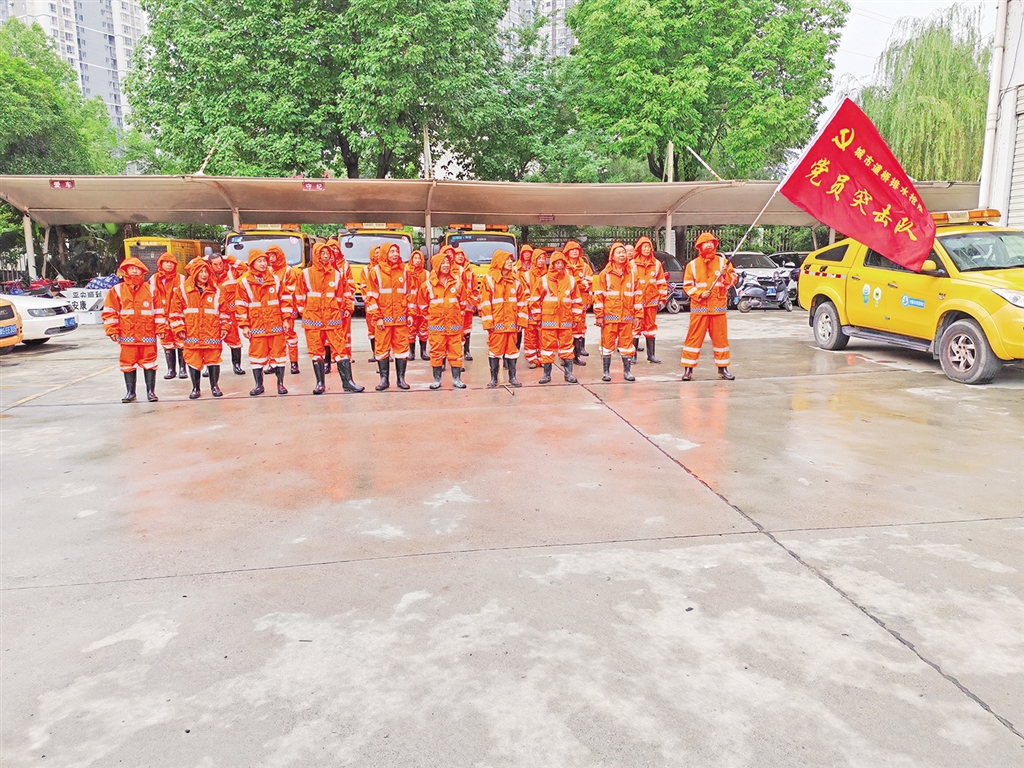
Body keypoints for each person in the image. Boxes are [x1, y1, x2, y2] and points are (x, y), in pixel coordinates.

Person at [295, 242, 364, 394]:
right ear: (316, 255)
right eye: (322, 253)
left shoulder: (337, 274)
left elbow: (344, 294)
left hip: (332, 319)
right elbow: (299, 296)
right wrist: (305, 313)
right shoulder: (306, 274)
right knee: (316, 352)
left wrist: (346, 308)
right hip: (313, 321)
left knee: (341, 350)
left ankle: (348, 383)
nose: (326, 256)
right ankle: (320, 384)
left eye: (328, 253)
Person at [103, 255, 163, 403]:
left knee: (150, 363)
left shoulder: (151, 290)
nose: (134, 271)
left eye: (137, 269)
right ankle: (130, 392)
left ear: (142, 271)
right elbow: (110, 312)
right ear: (125, 271)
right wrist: (112, 330)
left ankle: (151, 392)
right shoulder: (117, 290)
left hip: (147, 335)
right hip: (127, 336)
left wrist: (161, 329)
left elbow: (159, 312)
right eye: (131, 268)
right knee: (127, 364)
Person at [236, 249, 294, 396]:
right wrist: (244, 325)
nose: (263, 264)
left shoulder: (275, 280)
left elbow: (285, 299)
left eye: (264, 261)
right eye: (259, 261)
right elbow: (240, 305)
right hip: (257, 327)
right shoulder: (244, 282)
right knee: (257, 356)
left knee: (279, 355)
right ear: (252, 263)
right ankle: (259, 385)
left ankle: (280, 384)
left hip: (275, 325)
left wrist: (286, 319)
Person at [169, 258, 230, 399]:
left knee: (213, 360)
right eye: (201, 272)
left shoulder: (216, 291)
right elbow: (175, 312)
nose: (204, 274)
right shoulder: (183, 290)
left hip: (212, 333)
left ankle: (214, 386)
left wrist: (225, 327)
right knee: (193, 361)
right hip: (192, 333)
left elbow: (224, 312)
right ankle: (195, 388)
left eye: (206, 271)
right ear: (194, 273)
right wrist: (179, 329)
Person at [681, 232, 737, 381]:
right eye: (706, 243)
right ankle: (688, 369)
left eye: (712, 242)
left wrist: (725, 275)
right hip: (699, 309)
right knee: (693, 340)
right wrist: (700, 293)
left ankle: (723, 369)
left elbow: (732, 281)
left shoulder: (723, 263)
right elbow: (687, 286)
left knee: (721, 341)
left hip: (718, 309)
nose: (709, 245)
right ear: (699, 246)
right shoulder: (692, 265)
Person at [365, 242, 414, 391]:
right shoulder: (375, 272)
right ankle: (384, 380)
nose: (395, 254)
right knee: (381, 349)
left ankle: (401, 379)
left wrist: (411, 314)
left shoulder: (404, 271)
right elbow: (371, 297)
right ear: (385, 253)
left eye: (396, 251)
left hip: (401, 320)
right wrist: (377, 317)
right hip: (383, 321)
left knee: (402, 350)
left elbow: (410, 294)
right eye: (391, 251)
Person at [418, 250, 469, 390]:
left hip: (454, 327)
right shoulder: (427, 285)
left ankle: (457, 379)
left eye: (448, 262)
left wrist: (457, 317)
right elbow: (422, 306)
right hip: (436, 328)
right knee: (436, 352)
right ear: (436, 265)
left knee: (456, 352)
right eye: (443, 263)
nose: (446, 265)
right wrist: (432, 319)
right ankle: (437, 379)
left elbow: (463, 303)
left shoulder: (457, 283)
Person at [531, 251, 582, 384]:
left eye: (562, 263)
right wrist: (537, 318)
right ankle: (546, 375)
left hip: (566, 321)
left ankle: (569, 374)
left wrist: (576, 318)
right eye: (557, 263)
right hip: (548, 321)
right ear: (552, 264)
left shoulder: (571, 280)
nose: (560, 265)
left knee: (567, 347)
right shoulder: (543, 280)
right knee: (547, 348)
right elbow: (535, 300)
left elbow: (577, 301)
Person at [593, 242, 640, 382]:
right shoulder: (605, 274)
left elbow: (638, 296)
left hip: (627, 317)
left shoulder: (632, 274)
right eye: (618, 253)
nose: (622, 255)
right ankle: (606, 372)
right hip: (609, 318)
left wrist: (638, 315)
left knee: (627, 345)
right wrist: (599, 315)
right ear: (612, 256)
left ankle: (627, 371)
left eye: (623, 252)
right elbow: (599, 296)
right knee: (607, 345)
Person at [479, 249, 526, 388]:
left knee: (512, 351)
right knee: (494, 351)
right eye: (507, 260)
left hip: (511, 324)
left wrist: (521, 321)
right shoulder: (489, 280)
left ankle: (513, 377)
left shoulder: (516, 281)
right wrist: (488, 324)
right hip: (496, 325)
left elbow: (522, 303)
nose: (510, 262)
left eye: (511, 259)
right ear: (499, 262)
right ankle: (494, 379)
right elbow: (485, 303)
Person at [149, 251, 187, 380]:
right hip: (162, 316)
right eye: (166, 262)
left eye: (172, 262)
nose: (169, 265)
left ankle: (183, 368)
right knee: (167, 342)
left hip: (178, 316)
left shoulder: (181, 279)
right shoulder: (153, 279)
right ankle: (171, 369)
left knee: (181, 342)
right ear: (160, 264)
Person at [208, 250, 247, 375]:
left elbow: (244, 267)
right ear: (210, 264)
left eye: (221, 263)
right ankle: (209, 366)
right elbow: (190, 266)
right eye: (215, 264)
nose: (219, 266)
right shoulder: (206, 274)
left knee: (234, 340)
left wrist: (227, 257)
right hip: (213, 314)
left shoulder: (232, 271)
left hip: (230, 314)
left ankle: (237, 365)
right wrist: (207, 258)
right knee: (210, 341)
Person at [266, 244, 301, 374]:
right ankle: (273, 363)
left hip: (287, 309)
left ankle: (294, 363)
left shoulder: (289, 271)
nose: (270, 258)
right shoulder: (269, 271)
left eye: (273, 256)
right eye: (269, 256)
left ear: (279, 255)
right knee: (272, 337)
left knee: (289, 335)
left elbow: (290, 292)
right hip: (272, 311)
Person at [632, 235, 668, 363]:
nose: (647, 249)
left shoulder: (657, 264)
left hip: (652, 302)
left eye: (648, 247)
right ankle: (633, 355)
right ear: (639, 248)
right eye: (644, 247)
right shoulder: (632, 264)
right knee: (635, 328)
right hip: (637, 303)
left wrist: (662, 299)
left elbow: (661, 283)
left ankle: (651, 355)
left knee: (651, 328)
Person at [562, 240, 593, 365]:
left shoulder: (585, 266)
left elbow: (589, 282)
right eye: (572, 249)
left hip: (581, 303)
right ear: (567, 252)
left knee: (579, 328)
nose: (575, 251)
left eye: (577, 249)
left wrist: (574, 283)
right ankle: (565, 356)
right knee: (565, 329)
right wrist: (579, 282)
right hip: (566, 303)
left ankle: (577, 355)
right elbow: (563, 284)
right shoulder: (563, 266)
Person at [522, 250, 547, 368]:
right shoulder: (526, 275)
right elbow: (525, 294)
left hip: (545, 312)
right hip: (530, 312)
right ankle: (532, 359)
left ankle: (543, 358)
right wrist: (534, 306)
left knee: (544, 336)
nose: (541, 261)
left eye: (543, 258)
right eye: (539, 258)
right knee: (530, 336)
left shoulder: (548, 276)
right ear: (534, 260)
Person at [452, 247, 477, 361]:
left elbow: (475, 288)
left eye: (461, 255)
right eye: (457, 255)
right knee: (457, 329)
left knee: (467, 329)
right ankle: (457, 352)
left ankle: (466, 351)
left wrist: (474, 302)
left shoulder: (470, 271)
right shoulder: (452, 270)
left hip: (468, 304)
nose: (460, 256)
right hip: (456, 305)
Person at [406, 249, 429, 361]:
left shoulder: (427, 274)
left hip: (423, 307)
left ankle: (423, 352)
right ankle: (411, 352)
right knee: (410, 330)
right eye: (415, 258)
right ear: (411, 259)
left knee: (424, 330)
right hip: (410, 307)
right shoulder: (406, 273)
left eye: (419, 258)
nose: (417, 260)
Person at [513, 244, 534, 351]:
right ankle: (516, 348)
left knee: (531, 327)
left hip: (533, 301)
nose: (527, 255)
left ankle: (530, 350)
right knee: (519, 323)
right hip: (520, 299)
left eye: (529, 253)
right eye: (525, 253)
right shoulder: (515, 269)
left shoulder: (535, 267)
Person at [362, 245, 381, 363]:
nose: (378, 255)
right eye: (376, 253)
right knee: (372, 330)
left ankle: (384, 354)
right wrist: (369, 302)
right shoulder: (366, 270)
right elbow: (364, 287)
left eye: (380, 252)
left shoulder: (385, 269)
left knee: (383, 330)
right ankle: (375, 353)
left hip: (383, 305)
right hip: (370, 305)